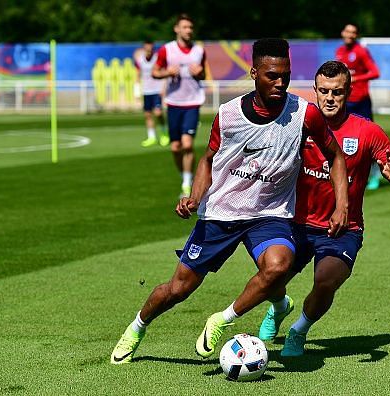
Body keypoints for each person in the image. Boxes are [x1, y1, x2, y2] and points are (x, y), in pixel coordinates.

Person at [110, 39, 349, 364]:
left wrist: (341, 205)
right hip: (221, 213)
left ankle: (221, 320)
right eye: (272, 76)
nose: (280, 83)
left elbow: (335, 155)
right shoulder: (229, 115)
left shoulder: (305, 114)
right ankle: (137, 327)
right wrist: (194, 197)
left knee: (279, 265)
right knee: (178, 289)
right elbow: (208, 160)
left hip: (270, 213)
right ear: (254, 73)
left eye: (286, 76)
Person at [257, 60, 390, 357]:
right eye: (324, 91)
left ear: (349, 92)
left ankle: (298, 331)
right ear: (315, 90)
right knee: (269, 276)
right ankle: (279, 306)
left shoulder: (368, 132)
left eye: (337, 92)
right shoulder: (296, 125)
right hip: (295, 223)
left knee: (325, 280)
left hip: (343, 229)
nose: (330, 98)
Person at [152, 14, 206, 197]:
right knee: (175, 147)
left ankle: (187, 183)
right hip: (174, 102)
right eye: (185, 27)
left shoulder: (199, 51)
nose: (188, 30)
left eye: (190, 27)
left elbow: (203, 74)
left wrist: (200, 73)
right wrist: (167, 72)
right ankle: (184, 174)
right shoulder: (167, 50)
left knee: (187, 144)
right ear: (176, 29)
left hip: (193, 102)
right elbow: (154, 72)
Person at [336, 23, 383, 190]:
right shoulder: (340, 52)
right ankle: (347, 176)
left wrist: (356, 79)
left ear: (356, 35)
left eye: (354, 32)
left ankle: (375, 175)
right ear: (343, 32)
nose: (350, 34)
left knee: (367, 141)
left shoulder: (361, 51)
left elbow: (375, 72)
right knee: (341, 140)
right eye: (348, 31)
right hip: (345, 101)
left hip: (361, 101)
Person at [134, 40, 168, 148]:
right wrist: (137, 91)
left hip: (157, 90)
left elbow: (163, 72)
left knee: (158, 113)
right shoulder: (140, 60)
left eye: (150, 49)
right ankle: (151, 137)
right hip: (146, 91)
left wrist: (163, 88)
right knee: (147, 115)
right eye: (147, 49)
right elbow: (138, 75)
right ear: (144, 49)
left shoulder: (158, 58)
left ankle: (164, 134)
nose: (149, 51)